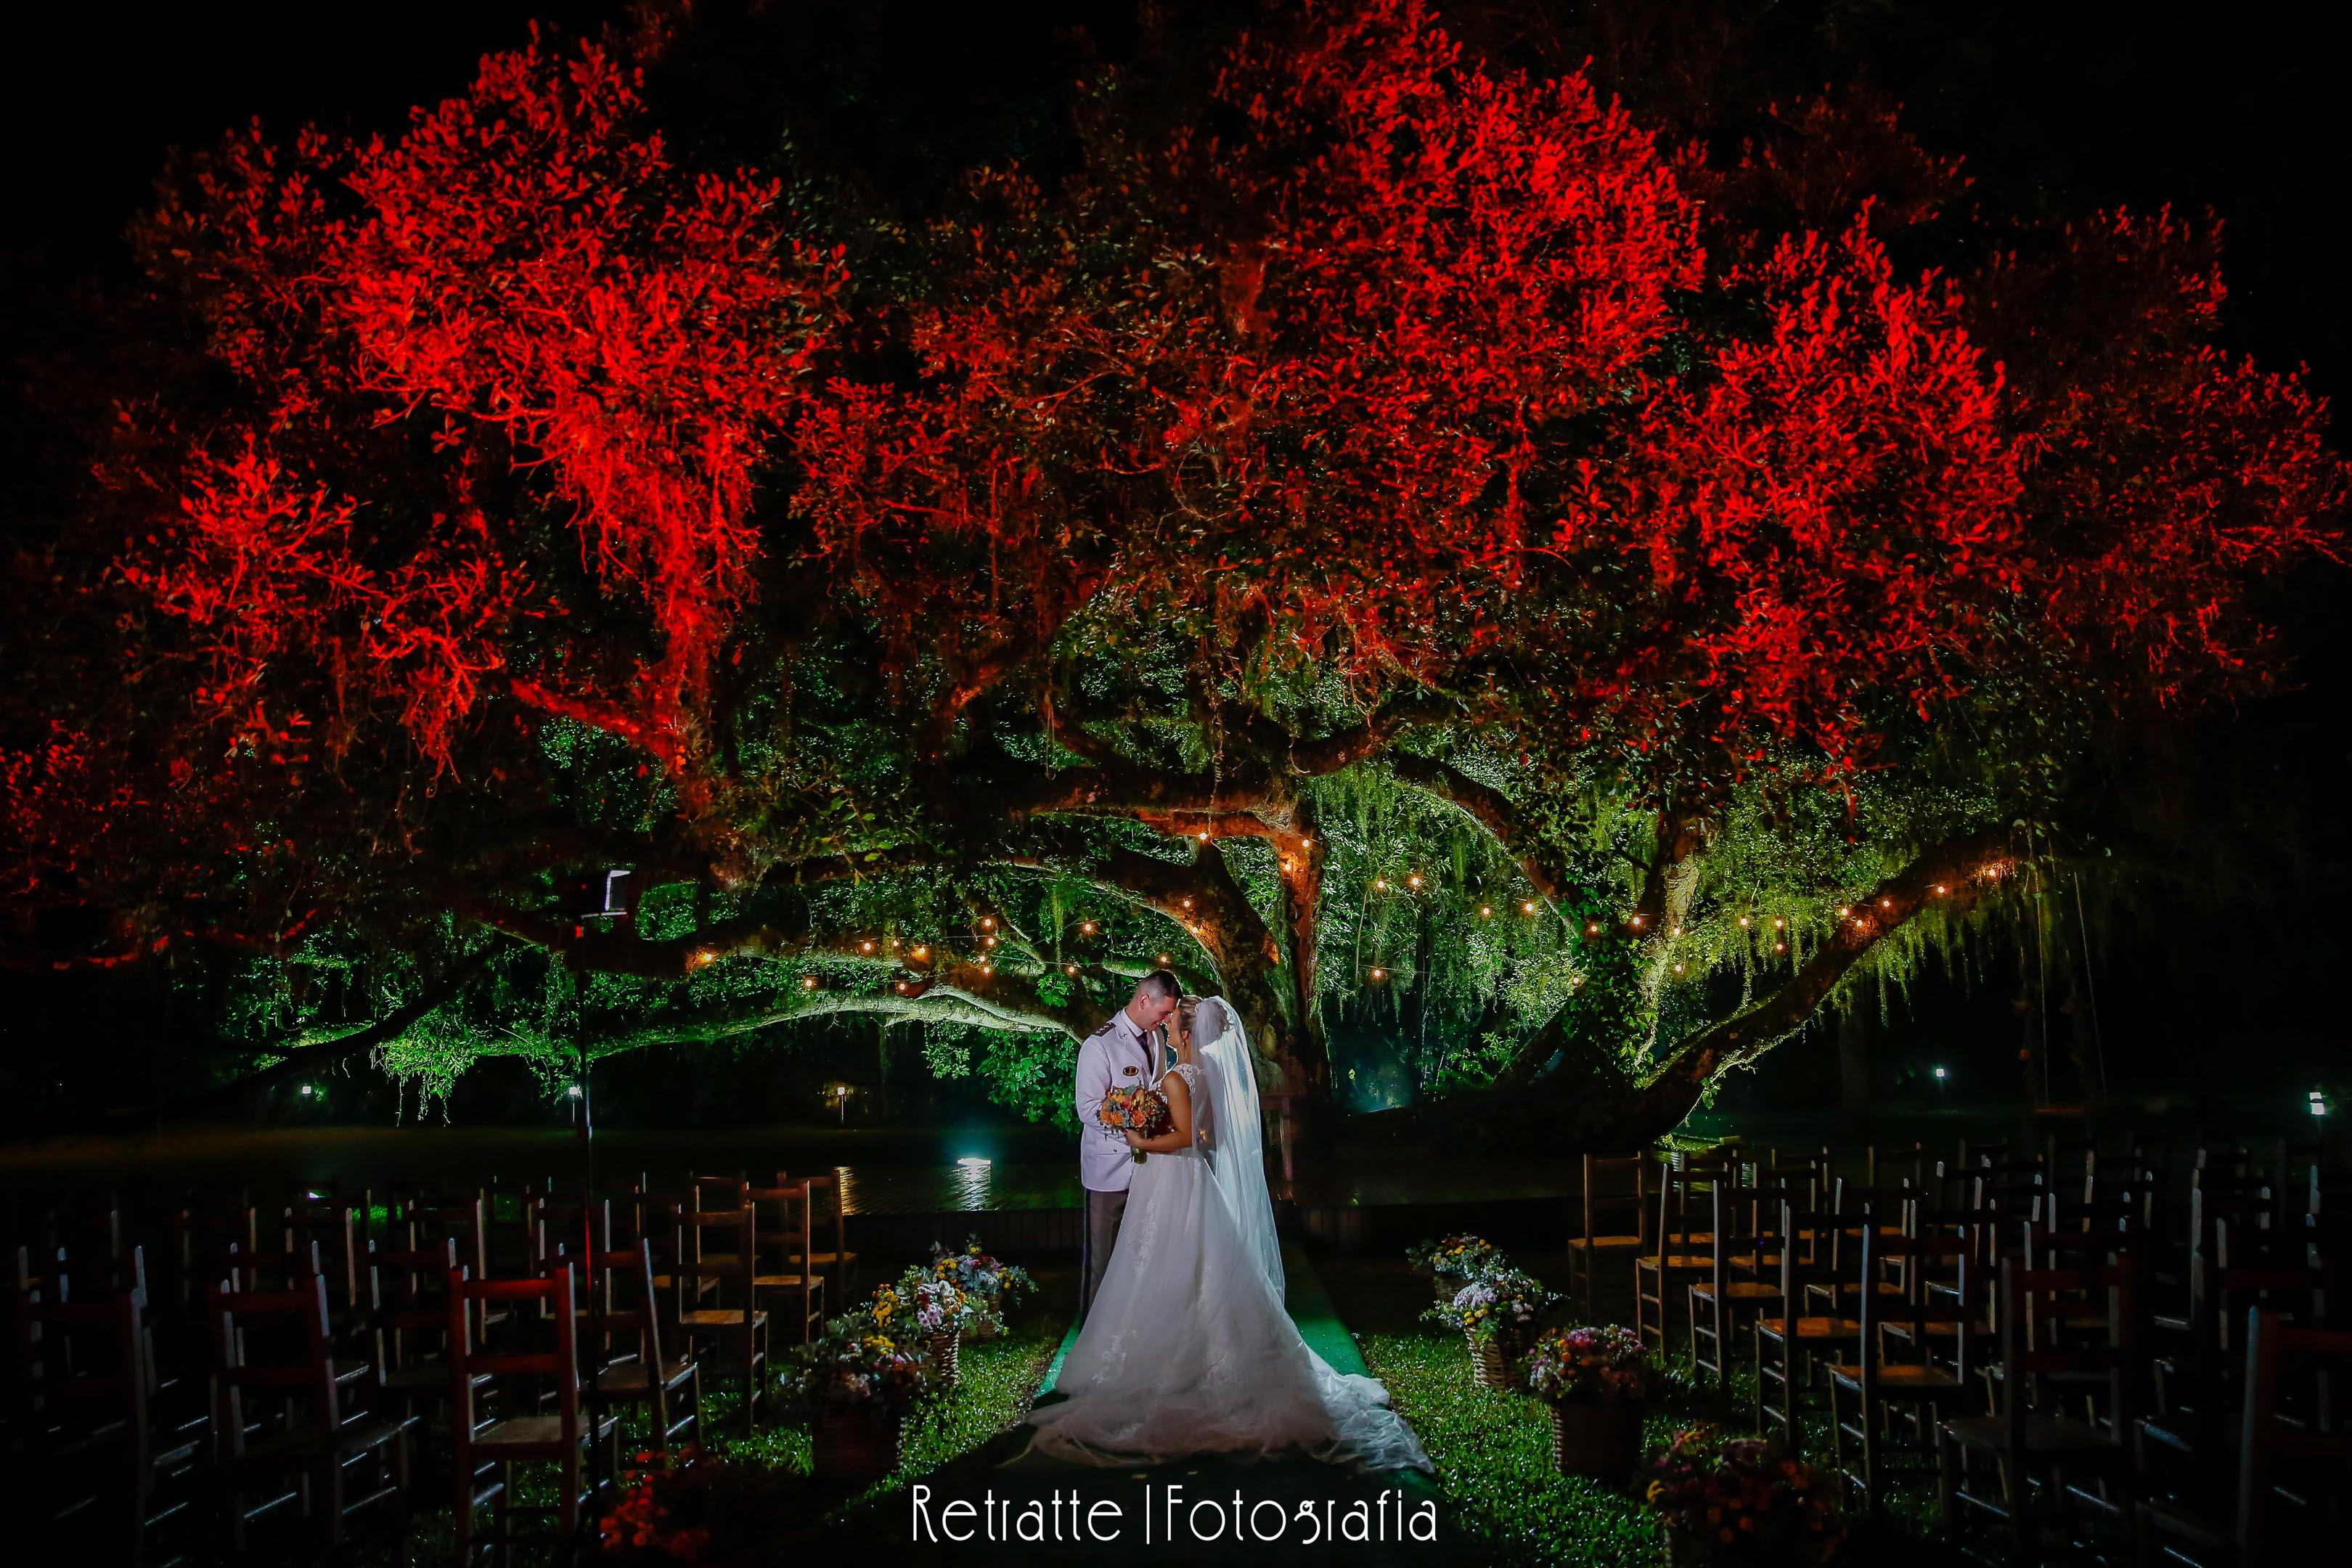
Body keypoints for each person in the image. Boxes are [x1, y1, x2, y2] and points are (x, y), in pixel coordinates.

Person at [1031, 995, 1429, 1471]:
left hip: (1173, 1175)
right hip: (1193, 1177)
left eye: (1170, 1024)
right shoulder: (1211, 1072)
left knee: (1169, 1261)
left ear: (1182, 1033)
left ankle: (1176, 1366)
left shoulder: (1180, 1075)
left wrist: (1139, 1136)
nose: (1163, 1029)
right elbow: (1206, 1134)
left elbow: (1180, 1137)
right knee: (1199, 1261)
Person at [1072, 971, 1179, 1318]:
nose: (1166, 1021)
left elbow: (1156, 1088)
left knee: (1139, 1256)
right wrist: (1135, 1127)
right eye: (1164, 1013)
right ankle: (1092, 1335)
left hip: (1148, 1169)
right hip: (1108, 1169)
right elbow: (1088, 1109)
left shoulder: (1156, 1038)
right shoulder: (1100, 1044)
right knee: (1102, 1261)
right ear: (1144, 1000)